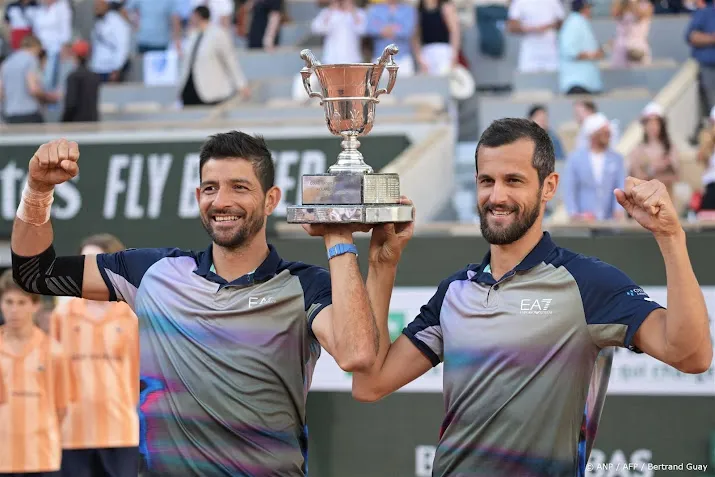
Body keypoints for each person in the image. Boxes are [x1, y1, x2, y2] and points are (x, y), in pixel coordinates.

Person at [350, 118, 713, 477]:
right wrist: (383, 266)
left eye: (514, 181)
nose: (497, 196)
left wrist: (671, 237)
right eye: (486, 181)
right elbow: (370, 383)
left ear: (549, 186)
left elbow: (692, 355)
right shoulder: (454, 291)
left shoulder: (587, 282)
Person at [10, 131, 380, 477]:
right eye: (210, 188)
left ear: (271, 200)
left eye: (240, 187)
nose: (222, 201)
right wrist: (39, 190)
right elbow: (34, 272)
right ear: (197, 196)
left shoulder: (303, 284)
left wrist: (338, 238)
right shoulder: (153, 272)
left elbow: (356, 354)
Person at [50, 234, 140, 477]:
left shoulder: (132, 314)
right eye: (83, 260)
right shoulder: (63, 313)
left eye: (95, 260)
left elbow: (141, 375)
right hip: (72, 430)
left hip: (120, 430)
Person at [0, 269, 75, 477]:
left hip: (42, 457)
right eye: (9, 302)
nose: (14, 310)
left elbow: (62, 408)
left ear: (35, 305)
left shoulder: (55, 351)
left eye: (21, 303)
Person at [563, 112, 626, 221]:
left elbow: (621, 185)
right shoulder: (575, 159)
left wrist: (619, 210)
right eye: (604, 132)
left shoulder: (617, 159)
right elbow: (570, 188)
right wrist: (574, 214)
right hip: (584, 223)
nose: (609, 135)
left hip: (610, 222)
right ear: (593, 134)